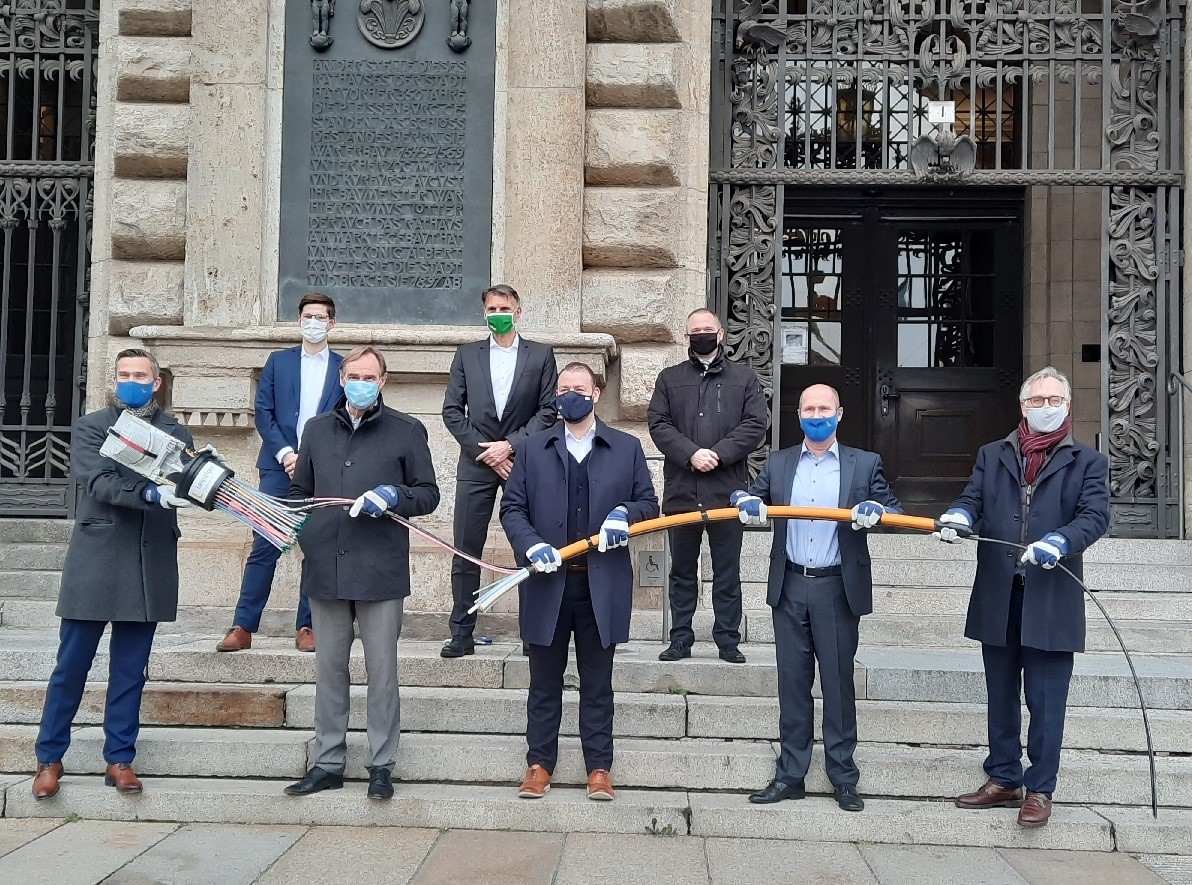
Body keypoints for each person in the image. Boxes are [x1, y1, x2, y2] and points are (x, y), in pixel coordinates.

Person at [938, 366, 1109, 828]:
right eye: (1036, 401)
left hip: (1052, 595)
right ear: (1022, 407)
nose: (1045, 408)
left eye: (1054, 400)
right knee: (1000, 692)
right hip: (999, 589)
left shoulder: (1088, 461)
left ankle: (1041, 788)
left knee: (1046, 697)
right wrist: (958, 515)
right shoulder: (993, 454)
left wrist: (1061, 541)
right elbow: (973, 499)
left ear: (1067, 406)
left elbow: (1095, 516)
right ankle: (1003, 777)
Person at [32, 349, 194, 799]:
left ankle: (120, 759)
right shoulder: (91, 426)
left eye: (140, 375)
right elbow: (98, 482)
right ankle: (49, 758)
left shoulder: (176, 432)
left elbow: (188, 485)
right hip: (98, 559)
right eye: (124, 375)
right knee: (71, 666)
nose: (131, 382)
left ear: (156, 382)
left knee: (130, 671)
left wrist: (205, 478)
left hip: (148, 561)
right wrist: (149, 491)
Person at [283, 346, 440, 801]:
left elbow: (427, 494)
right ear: (342, 378)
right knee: (329, 670)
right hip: (326, 568)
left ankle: (380, 764)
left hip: (379, 570)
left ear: (383, 381)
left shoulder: (407, 430)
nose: (361, 382)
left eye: (369, 376)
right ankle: (329, 762)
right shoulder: (315, 430)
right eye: (354, 374)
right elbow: (301, 493)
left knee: (381, 672)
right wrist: (301, 531)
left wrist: (394, 494)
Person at [735, 383, 901, 812]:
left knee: (837, 684)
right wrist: (744, 500)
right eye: (808, 407)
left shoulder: (863, 464)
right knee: (792, 684)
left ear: (840, 413)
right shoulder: (780, 461)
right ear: (799, 414)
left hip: (836, 588)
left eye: (824, 408)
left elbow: (897, 513)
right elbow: (754, 497)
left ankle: (843, 778)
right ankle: (791, 775)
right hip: (789, 585)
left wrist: (879, 514)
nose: (816, 414)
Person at [499, 362, 659, 802]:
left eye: (580, 388)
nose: (572, 395)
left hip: (600, 585)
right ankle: (538, 766)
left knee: (597, 682)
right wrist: (530, 545)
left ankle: (599, 769)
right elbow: (512, 509)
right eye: (564, 388)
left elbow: (650, 503)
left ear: (596, 393)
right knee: (543, 682)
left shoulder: (625, 447)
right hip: (547, 584)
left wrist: (626, 514)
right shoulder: (533, 449)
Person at [217, 292, 344, 653]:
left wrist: (309, 458)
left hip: (320, 471)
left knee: (316, 550)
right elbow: (264, 411)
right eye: (308, 316)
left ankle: (308, 626)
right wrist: (288, 453)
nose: (313, 323)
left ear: (332, 323)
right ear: (298, 320)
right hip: (277, 466)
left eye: (320, 317)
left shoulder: (342, 367)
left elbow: (340, 420)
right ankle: (243, 626)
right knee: (264, 546)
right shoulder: (279, 362)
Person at [441, 284, 558, 658]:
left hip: (522, 464)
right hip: (476, 464)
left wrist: (511, 446)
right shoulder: (466, 354)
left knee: (527, 548)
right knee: (466, 550)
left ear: (518, 312)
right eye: (491, 309)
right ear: (484, 314)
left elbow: (548, 411)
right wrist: (487, 452)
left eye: (504, 308)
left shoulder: (541, 356)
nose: (498, 314)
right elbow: (452, 411)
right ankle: (462, 632)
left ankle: (533, 633)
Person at [647, 308, 768, 664]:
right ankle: (680, 639)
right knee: (681, 571)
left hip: (727, 492)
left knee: (727, 572)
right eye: (694, 330)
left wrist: (716, 454)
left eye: (707, 329)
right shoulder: (669, 378)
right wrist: (691, 454)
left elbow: (755, 424)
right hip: (682, 491)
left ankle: (728, 640)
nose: (701, 334)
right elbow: (658, 423)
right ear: (686, 338)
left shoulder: (745, 379)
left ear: (722, 333)